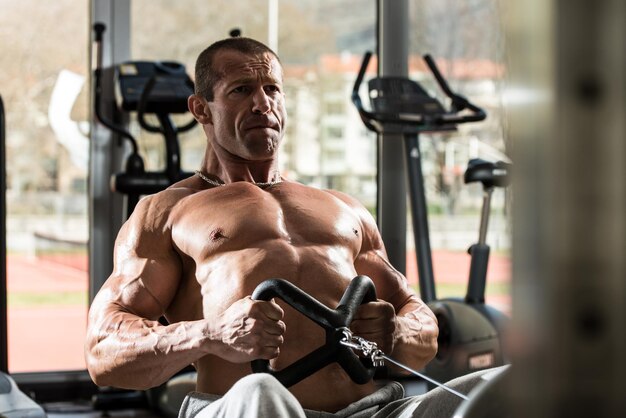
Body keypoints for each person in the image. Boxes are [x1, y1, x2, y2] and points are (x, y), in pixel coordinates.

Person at [85, 37, 493, 418]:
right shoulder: (167, 212)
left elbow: (420, 322)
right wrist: (210, 334)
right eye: (241, 89)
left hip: (371, 409)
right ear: (201, 109)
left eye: (273, 90)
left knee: (495, 385)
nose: (262, 104)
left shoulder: (343, 208)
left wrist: (397, 332)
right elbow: (103, 352)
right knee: (261, 391)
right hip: (246, 406)